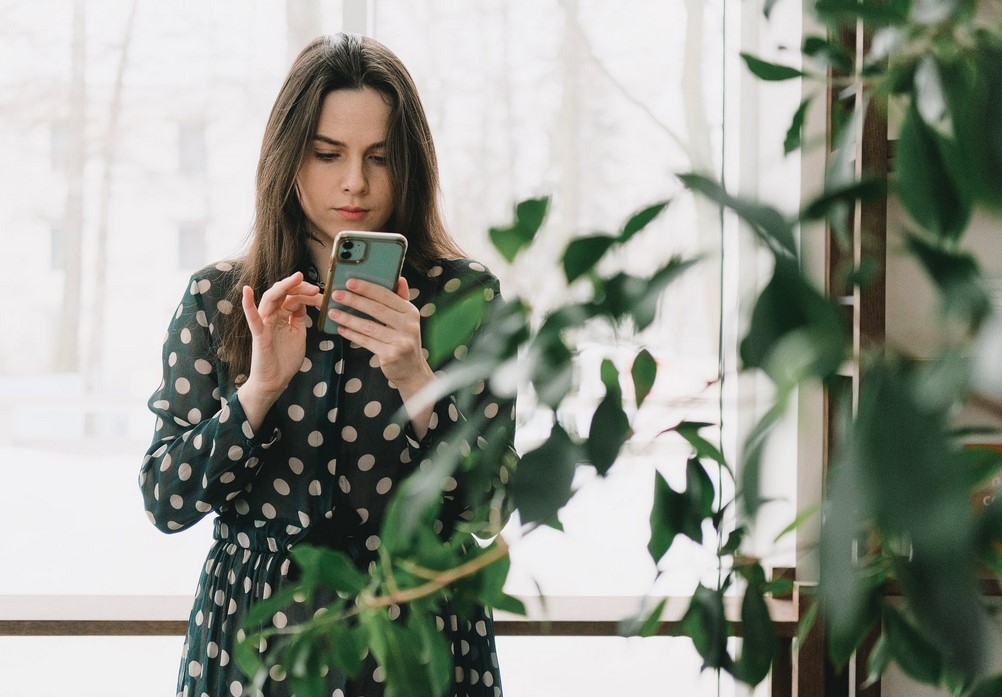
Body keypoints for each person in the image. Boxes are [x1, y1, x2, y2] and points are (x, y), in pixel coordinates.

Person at [139, 33, 514, 697]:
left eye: (379, 157)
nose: (355, 182)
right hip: (255, 641)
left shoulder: (465, 299)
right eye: (327, 154)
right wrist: (259, 392)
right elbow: (165, 500)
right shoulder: (221, 299)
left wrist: (418, 382)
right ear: (288, 159)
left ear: (410, 164)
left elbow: (492, 505)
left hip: (413, 639)